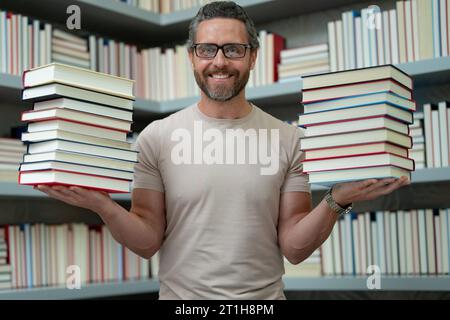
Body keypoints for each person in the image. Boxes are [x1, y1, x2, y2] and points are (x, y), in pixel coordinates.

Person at [35, 1, 410, 299]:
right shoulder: (156, 137)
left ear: (252, 56)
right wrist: (103, 204)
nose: (219, 61)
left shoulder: (288, 139)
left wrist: (337, 199)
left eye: (232, 49)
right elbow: (148, 241)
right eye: (207, 49)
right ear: (192, 57)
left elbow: (294, 248)